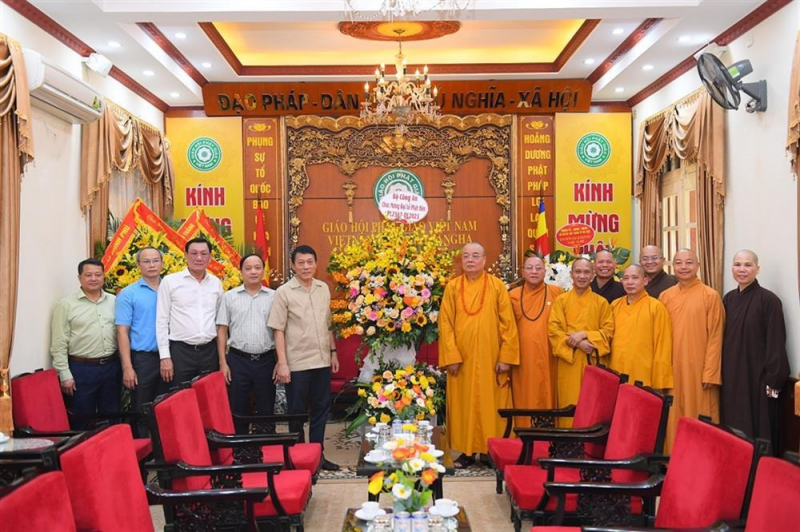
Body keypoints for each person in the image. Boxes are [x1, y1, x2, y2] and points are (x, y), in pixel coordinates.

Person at [439, 242, 520, 467]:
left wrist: (506, 356)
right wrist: (451, 357)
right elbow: (445, 324)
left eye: (476, 256)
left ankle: (490, 451)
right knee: (463, 404)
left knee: (490, 403)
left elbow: (508, 324)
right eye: (466, 256)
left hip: (491, 358)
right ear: (461, 261)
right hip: (461, 360)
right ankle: (466, 452)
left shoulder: (496, 286)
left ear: (484, 260)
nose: (470, 260)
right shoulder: (453, 287)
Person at [268, 245, 340, 471]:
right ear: (293, 265)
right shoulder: (284, 292)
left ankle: (317, 455)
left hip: (321, 361)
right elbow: (277, 329)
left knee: (321, 409)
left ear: (316, 264)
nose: (306, 267)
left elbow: (328, 324)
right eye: (301, 263)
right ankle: (298, 458)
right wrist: (282, 363)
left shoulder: (323, 288)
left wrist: (333, 352)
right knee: (297, 412)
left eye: (310, 262)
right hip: (297, 362)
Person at [721, 250, 790, 446]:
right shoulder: (728, 299)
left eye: (748, 265)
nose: (742, 269)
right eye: (737, 265)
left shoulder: (769, 301)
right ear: (732, 268)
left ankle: (757, 473)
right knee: (732, 429)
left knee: (758, 430)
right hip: (731, 376)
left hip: (758, 378)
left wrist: (773, 380)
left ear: (757, 269)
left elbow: (776, 342)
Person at [659, 249, 724, 452]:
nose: (683, 267)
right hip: (671, 368)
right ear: (672, 266)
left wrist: (711, 372)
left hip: (699, 371)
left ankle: (701, 463)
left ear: (697, 266)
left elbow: (716, 336)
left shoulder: (710, 296)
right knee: (673, 415)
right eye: (679, 263)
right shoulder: (665, 296)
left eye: (689, 262)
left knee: (701, 415)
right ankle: (671, 462)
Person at [50, 258, 119, 426]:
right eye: (88, 275)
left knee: (112, 417)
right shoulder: (66, 305)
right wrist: (64, 374)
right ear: (79, 278)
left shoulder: (114, 301)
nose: (93, 279)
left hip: (111, 367)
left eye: (98, 274)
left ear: (104, 276)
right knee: (82, 419)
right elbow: (59, 343)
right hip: (82, 369)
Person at [217, 254, 279, 434]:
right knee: (237, 408)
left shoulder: (274, 297)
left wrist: (280, 361)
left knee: (266, 408)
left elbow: (279, 331)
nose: (253, 272)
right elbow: (221, 331)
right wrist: (223, 362)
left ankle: (267, 451)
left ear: (263, 270)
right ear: (241, 271)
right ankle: (240, 452)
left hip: (266, 360)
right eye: (248, 268)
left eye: (257, 267)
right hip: (237, 360)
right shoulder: (229, 297)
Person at [548, 258, 614, 427]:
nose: (582, 276)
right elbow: (554, 331)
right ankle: (565, 447)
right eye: (578, 272)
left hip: (592, 362)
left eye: (586, 272)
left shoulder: (601, 303)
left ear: (593, 275)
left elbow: (608, 332)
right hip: (569, 362)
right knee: (568, 404)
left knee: (592, 406)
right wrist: (578, 343)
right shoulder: (561, 301)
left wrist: (585, 335)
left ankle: (590, 449)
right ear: (571, 275)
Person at [156, 237, 223, 387]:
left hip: (209, 352)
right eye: (193, 253)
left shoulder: (216, 283)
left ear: (210, 257)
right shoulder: (170, 282)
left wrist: (221, 357)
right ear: (186, 255)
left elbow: (220, 323)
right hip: (181, 352)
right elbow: (161, 321)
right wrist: (165, 357)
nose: (199, 258)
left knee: (208, 398)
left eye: (203, 253)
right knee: (181, 399)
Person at [115, 247, 166, 436]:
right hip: (143, 359)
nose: (152, 265)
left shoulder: (171, 288)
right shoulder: (129, 294)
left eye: (155, 260)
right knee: (142, 408)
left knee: (167, 407)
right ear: (138, 265)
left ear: (162, 262)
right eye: (146, 261)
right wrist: (127, 366)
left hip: (171, 356)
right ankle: (144, 457)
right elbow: (122, 331)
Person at [508, 254, 562, 424]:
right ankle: (523, 430)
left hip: (549, 355)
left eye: (538, 268)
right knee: (525, 393)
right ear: (522, 272)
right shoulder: (513, 296)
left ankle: (548, 433)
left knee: (548, 391)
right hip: (523, 356)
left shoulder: (557, 293)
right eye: (529, 268)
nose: (534, 272)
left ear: (545, 271)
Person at [609, 264, 673, 390]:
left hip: (643, 372)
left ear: (645, 281)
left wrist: (659, 380)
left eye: (635, 278)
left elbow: (663, 345)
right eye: (626, 278)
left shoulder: (656, 307)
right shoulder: (615, 305)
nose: (630, 282)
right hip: (615, 369)